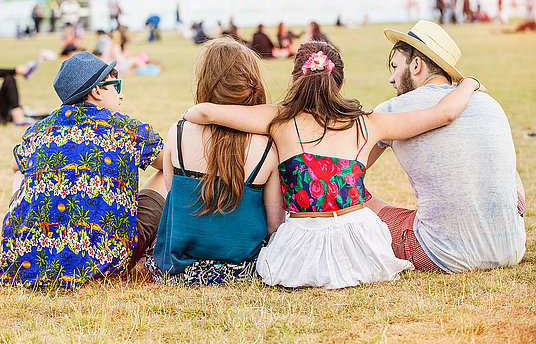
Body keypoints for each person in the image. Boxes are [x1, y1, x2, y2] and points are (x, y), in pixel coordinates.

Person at [182, 41, 482, 289]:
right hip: (361, 244)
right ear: (340, 82)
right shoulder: (370, 124)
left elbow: (203, 113)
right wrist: (469, 83)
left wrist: (191, 117)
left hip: (299, 246)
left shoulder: (278, 120)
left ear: (295, 79)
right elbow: (445, 113)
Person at [365, 20, 526, 273]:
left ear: (416, 65)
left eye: (395, 67)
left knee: (348, 191)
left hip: (443, 254)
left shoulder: (391, 110)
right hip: (512, 248)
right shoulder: (488, 102)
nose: (391, 78)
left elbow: (349, 169)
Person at [0, 51, 166, 288]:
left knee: (21, 172)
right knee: (166, 174)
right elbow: (168, 161)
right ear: (96, 91)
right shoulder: (128, 129)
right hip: (104, 260)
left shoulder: (40, 129)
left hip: (27, 261)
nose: (121, 94)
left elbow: (16, 164)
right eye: (116, 86)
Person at [144, 37, 284, 286]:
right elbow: (274, 225)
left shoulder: (178, 132)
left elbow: (173, 196)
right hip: (243, 268)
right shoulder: (267, 147)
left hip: (178, 270)